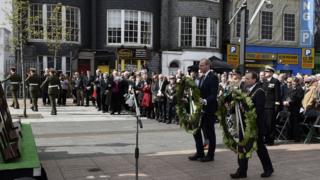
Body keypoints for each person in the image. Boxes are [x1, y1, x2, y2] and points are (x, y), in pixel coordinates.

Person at [230, 72, 274, 179]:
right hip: (244, 124)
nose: (246, 80)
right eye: (245, 78)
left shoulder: (259, 91)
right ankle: (241, 171)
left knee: (260, 148)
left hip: (255, 126)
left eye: (248, 79)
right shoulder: (245, 89)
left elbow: (258, 109)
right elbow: (239, 102)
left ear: (254, 79)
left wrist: (245, 107)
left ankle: (268, 169)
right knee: (242, 147)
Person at [188, 58, 218, 162]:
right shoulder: (201, 78)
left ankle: (210, 155)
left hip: (208, 109)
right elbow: (198, 92)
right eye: (199, 65)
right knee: (196, 131)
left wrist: (205, 101)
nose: (199, 67)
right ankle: (200, 152)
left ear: (207, 65)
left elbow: (214, 94)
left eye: (201, 65)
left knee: (210, 133)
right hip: (199, 110)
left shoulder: (213, 77)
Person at [262, 66, 281, 146]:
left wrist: (276, 106)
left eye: (267, 72)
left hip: (271, 106)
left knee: (270, 124)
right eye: (265, 72)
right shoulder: (264, 81)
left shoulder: (275, 81)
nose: (265, 73)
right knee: (265, 123)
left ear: (271, 73)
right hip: (264, 105)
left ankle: (270, 140)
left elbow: (277, 95)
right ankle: (266, 139)